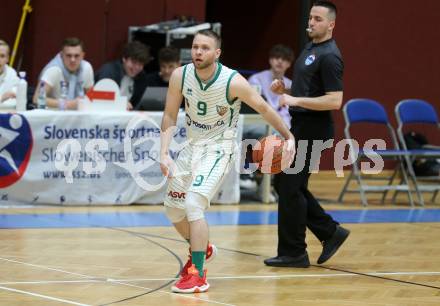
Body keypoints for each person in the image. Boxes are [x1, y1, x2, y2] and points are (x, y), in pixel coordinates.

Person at [160, 29, 295, 293]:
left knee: (193, 203)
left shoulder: (233, 81)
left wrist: (288, 136)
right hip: (191, 147)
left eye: (205, 48)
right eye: (195, 47)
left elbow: (265, 108)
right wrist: (164, 152)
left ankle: (197, 273)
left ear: (217, 53)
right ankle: (203, 247)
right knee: (173, 210)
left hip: (219, 149)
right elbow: (169, 115)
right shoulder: (180, 75)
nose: (198, 52)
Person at [265, 0, 350, 268]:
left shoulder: (330, 55)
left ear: (331, 24)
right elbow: (308, 93)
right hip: (302, 127)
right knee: (288, 185)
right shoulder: (311, 48)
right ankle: (329, 231)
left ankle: (295, 252)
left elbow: (334, 101)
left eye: (318, 19)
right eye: (311, 17)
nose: (311, 22)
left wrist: (295, 102)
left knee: (288, 186)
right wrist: (286, 93)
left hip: (314, 130)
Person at [241, 44, 295, 200]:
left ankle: (276, 185)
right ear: (270, 60)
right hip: (257, 124)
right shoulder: (256, 80)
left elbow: (290, 114)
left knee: (287, 141)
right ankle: (255, 180)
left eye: (284, 60)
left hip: (282, 128)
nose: (280, 62)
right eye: (276, 58)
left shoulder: (291, 85)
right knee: (274, 142)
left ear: (289, 64)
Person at [33, 37, 94, 110]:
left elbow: (91, 97)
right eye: (69, 55)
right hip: (53, 117)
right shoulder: (53, 70)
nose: (72, 60)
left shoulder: (86, 68)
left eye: (76, 56)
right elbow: (36, 99)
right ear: (61, 55)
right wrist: (67, 104)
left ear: (82, 56)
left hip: (77, 116)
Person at [95, 41, 150, 110]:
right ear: (124, 58)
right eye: (133, 62)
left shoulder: (142, 77)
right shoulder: (109, 71)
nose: (136, 67)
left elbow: (136, 104)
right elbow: (99, 96)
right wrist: (120, 103)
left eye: (140, 64)